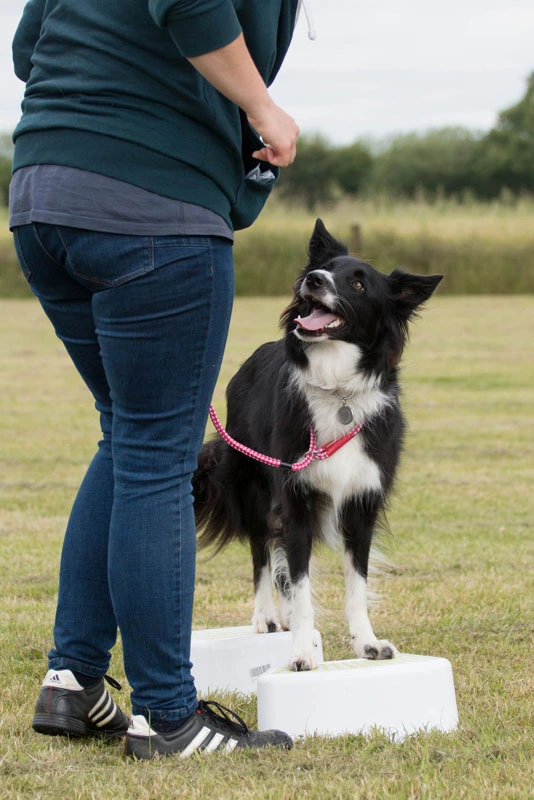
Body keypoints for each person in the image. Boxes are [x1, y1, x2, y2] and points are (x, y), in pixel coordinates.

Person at [10, 0, 302, 760]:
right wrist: (258, 105)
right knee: (156, 455)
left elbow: (28, 46)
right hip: (150, 208)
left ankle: (72, 680)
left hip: (43, 201)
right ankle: (168, 717)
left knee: (131, 437)